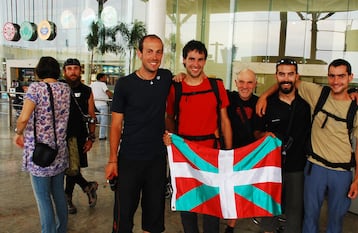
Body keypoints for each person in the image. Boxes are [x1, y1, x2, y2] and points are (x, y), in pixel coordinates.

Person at [256, 59, 358, 233]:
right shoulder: (318, 93)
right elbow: (286, 82)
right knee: (309, 217)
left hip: (341, 171)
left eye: (341, 76)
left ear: (350, 77)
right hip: (315, 168)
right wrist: (264, 96)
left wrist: (357, 180)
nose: (336, 81)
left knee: (336, 219)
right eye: (332, 76)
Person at [105, 34, 173, 233]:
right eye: (149, 51)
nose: (154, 56)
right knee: (123, 218)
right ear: (139, 54)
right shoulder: (125, 84)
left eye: (159, 51)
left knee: (154, 220)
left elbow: (189, 82)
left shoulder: (166, 77)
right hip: (129, 160)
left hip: (157, 161)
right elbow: (116, 125)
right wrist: (112, 160)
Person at [164, 40, 232, 233]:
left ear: (205, 61)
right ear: (184, 60)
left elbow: (225, 121)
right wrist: (173, 140)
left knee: (212, 205)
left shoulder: (217, 86)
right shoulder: (175, 87)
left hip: (212, 152)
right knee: (188, 203)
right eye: (191, 59)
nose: (196, 64)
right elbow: (169, 118)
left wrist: (228, 152)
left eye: (200, 59)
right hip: (185, 155)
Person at [13, 56, 71, 233]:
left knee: (43, 197)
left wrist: (18, 133)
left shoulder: (36, 88)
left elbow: (23, 118)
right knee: (59, 194)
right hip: (59, 150)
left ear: (38, 71)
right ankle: (61, 229)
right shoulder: (65, 88)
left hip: (40, 153)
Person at [253, 58, 311, 233]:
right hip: (271, 168)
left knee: (294, 216)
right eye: (282, 74)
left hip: (297, 168)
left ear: (297, 76)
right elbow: (256, 132)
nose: (286, 78)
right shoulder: (266, 104)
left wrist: (356, 94)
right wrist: (263, 135)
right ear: (276, 76)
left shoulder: (307, 103)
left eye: (290, 74)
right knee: (269, 214)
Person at [224, 68, 258, 233]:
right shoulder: (228, 98)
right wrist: (180, 76)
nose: (245, 86)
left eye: (249, 82)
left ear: (255, 84)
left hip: (251, 156)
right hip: (228, 153)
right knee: (227, 190)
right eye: (242, 82)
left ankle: (231, 225)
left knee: (240, 191)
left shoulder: (261, 102)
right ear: (236, 83)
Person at [63, 58, 98, 214]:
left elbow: (91, 115)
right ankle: (87, 187)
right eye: (69, 68)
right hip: (59, 136)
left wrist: (91, 137)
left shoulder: (87, 90)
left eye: (76, 68)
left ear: (80, 71)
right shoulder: (59, 88)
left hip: (78, 136)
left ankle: (68, 199)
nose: (72, 72)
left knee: (73, 169)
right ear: (64, 71)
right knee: (69, 169)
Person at [90, 73, 113, 140]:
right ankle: (102, 136)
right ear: (101, 78)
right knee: (104, 121)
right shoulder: (103, 84)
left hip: (94, 104)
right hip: (103, 104)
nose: (106, 79)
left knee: (94, 120)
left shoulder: (92, 84)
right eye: (105, 77)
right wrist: (114, 96)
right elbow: (107, 92)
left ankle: (92, 134)